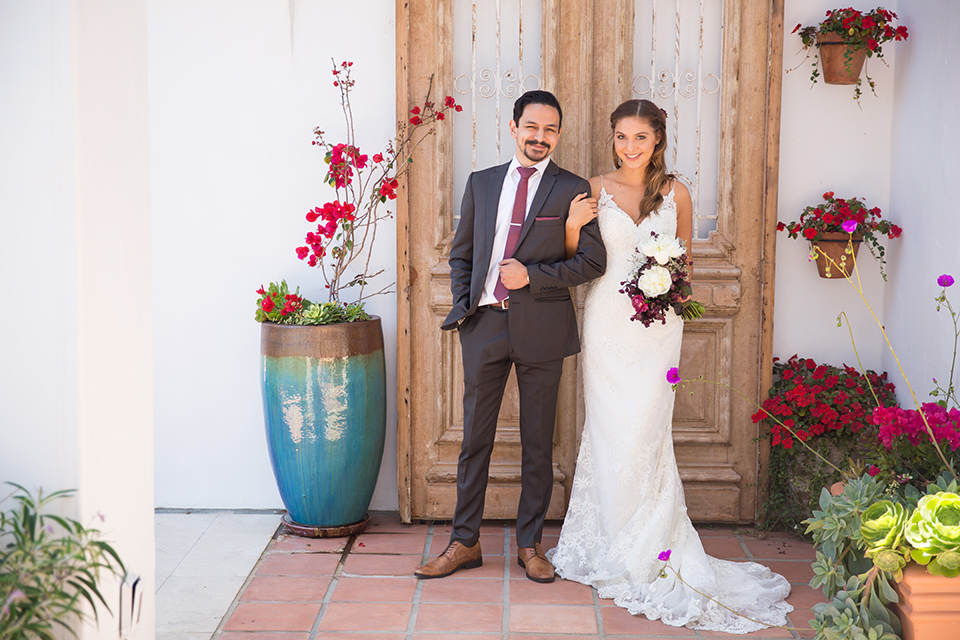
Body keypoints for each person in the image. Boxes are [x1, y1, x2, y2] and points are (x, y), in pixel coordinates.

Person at [547, 99, 793, 632]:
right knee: (612, 429)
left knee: (647, 430)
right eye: (620, 137)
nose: (629, 148)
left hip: (659, 327)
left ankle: (654, 537)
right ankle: (610, 538)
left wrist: (667, 294)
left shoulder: (675, 191)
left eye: (639, 138)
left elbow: (681, 263)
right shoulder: (592, 188)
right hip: (608, 318)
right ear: (612, 139)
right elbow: (577, 258)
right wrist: (571, 223)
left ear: (657, 140)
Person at [414, 90, 606, 583]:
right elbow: (463, 254)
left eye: (550, 130)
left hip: (542, 327)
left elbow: (592, 261)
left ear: (558, 134)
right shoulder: (481, 184)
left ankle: (530, 545)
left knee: (538, 442)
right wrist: (464, 306)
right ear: (514, 127)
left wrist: (533, 276)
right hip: (484, 324)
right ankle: (464, 541)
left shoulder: (572, 188)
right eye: (532, 127)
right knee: (473, 439)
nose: (540, 138)